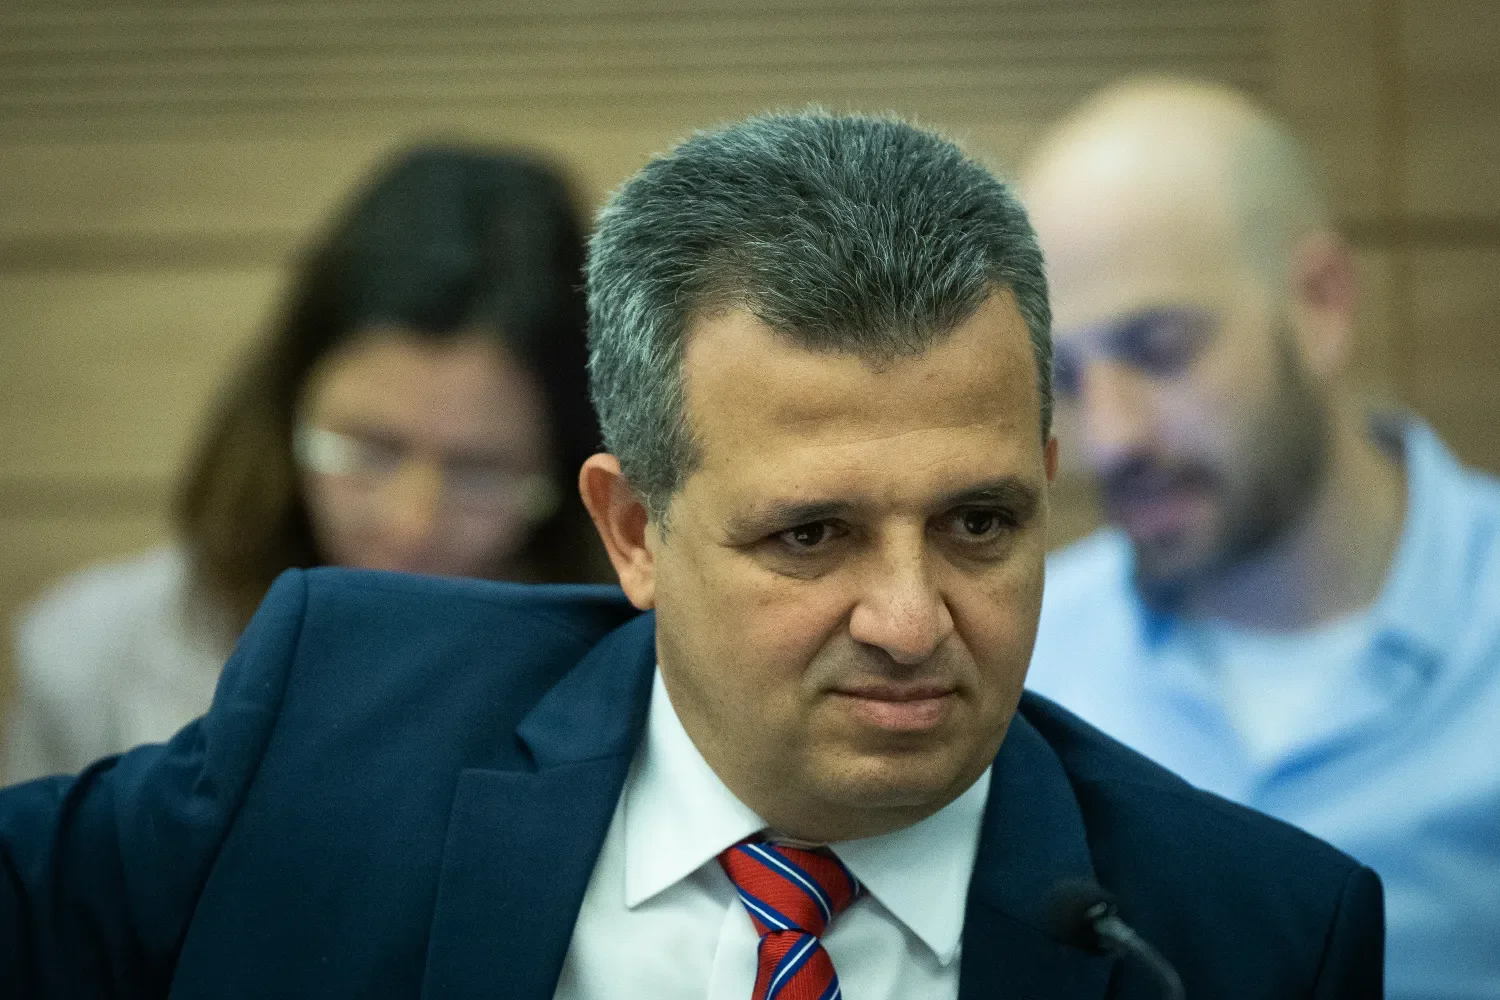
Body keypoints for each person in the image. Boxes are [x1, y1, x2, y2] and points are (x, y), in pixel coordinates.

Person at [0, 110, 1381, 999]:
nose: (911, 621)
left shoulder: (1244, 936)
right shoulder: (339, 725)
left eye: (977, 524)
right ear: (634, 531)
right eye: (810, 534)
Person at [1020, 78, 1500, 1000]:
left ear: (1319, 301)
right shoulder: (1025, 661)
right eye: (1069, 379)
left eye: (1160, 350)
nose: (1110, 440)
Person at [1, 144, 605, 783]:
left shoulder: (636, 671)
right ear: (285, 412)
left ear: (575, 472)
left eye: (480, 472)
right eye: (370, 450)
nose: (412, 523)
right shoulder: (93, 656)